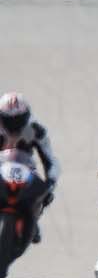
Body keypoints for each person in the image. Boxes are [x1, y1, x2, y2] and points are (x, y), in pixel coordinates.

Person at [0, 92, 59, 244]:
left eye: (18, 120)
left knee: (45, 195)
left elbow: (50, 159)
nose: (14, 125)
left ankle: (32, 220)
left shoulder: (34, 130)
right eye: (9, 120)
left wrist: (50, 182)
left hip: (23, 170)